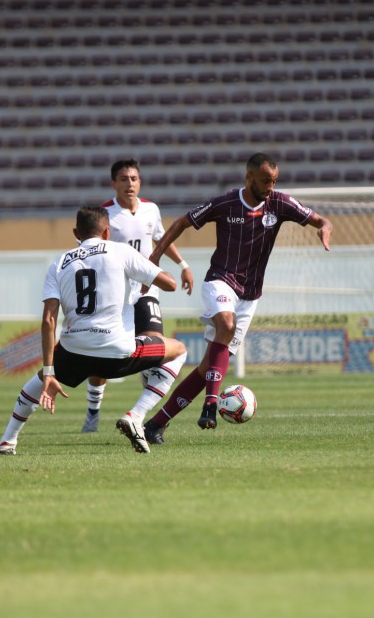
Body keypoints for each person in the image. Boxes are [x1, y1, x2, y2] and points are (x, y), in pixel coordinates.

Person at [141, 152, 333, 445]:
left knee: (207, 368)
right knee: (226, 325)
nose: (271, 186)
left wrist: (324, 229)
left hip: (250, 295)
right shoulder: (226, 203)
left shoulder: (280, 203)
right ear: (250, 177)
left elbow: (322, 220)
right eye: (266, 181)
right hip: (220, 281)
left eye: (274, 181)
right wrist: (155, 255)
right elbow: (182, 222)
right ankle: (210, 406)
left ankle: (155, 424)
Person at [0, 206, 187, 455]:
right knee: (179, 350)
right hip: (117, 352)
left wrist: (50, 371)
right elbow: (169, 285)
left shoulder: (59, 263)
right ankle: (136, 416)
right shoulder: (120, 251)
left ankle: (7, 440)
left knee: (37, 382)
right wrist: (145, 276)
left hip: (74, 350)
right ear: (107, 232)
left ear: (76, 232)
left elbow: (48, 320)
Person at [79, 159, 194, 434]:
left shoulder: (151, 210)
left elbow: (162, 240)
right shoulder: (105, 214)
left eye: (133, 178)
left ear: (139, 182)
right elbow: (88, 250)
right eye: (123, 179)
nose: (129, 183)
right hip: (115, 295)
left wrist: (183, 265)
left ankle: (141, 415)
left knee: (156, 348)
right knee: (101, 360)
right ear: (113, 184)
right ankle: (93, 414)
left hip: (146, 290)